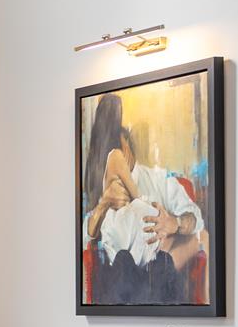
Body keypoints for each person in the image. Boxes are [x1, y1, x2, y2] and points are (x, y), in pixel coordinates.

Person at [82, 94, 207, 303]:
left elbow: (196, 219)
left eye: (121, 147)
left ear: (129, 146)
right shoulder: (105, 185)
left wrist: (174, 223)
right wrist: (104, 203)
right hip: (121, 271)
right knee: (122, 261)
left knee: (194, 240)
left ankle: (149, 282)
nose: (119, 156)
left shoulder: (159, 180)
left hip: (157, 265)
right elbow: (85, 235)